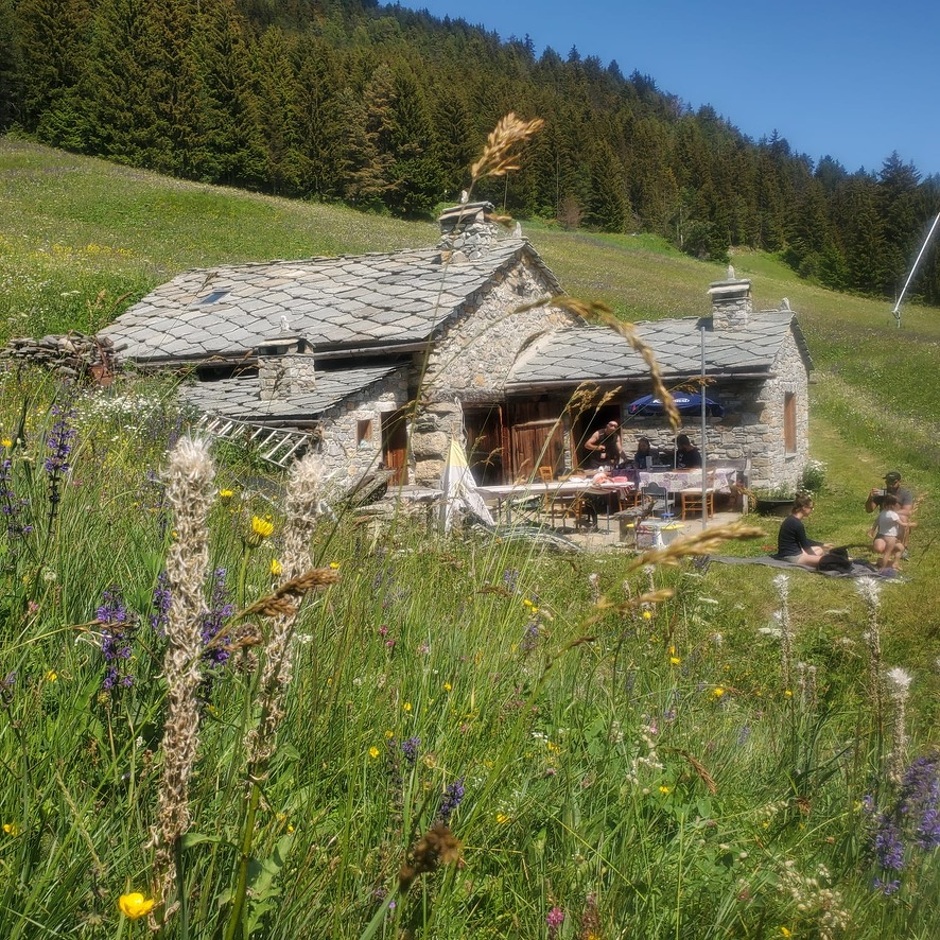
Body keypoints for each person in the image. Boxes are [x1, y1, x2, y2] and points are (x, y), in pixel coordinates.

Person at [775, 494, 831, 567]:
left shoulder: (790, 519)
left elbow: (803, 540)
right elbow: (805, 546)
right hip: (792, 557)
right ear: (804, 507)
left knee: (820, 549)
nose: (812, 510)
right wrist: (814, 557)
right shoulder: (797, 524)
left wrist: (822, 544)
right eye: (811, 508)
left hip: (786, 553)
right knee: (828, 560)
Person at [865, 471, 914, 550]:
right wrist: (870, 498)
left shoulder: (905, 494)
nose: (890, 485)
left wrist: (889, 513)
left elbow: (907, 511)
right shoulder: (882, 493)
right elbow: (869, 510)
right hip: (885, 526)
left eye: (893, 483)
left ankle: (904, 547)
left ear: (899, 482)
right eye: (888, 482)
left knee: (904, 518)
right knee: (878, 549)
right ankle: (892, 544)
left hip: (898, 525)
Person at [870, 492, 904, 570]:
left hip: (889, 537)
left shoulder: (883, 512)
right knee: (888, 553)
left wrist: (872, 530)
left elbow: (876, 521)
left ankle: (894, 563)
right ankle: (883, 568)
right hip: (889, 538)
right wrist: (911, 524)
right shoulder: (893, 515)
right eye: (897, 504)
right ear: (894, 505)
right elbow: (902, 524)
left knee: (900, 548)